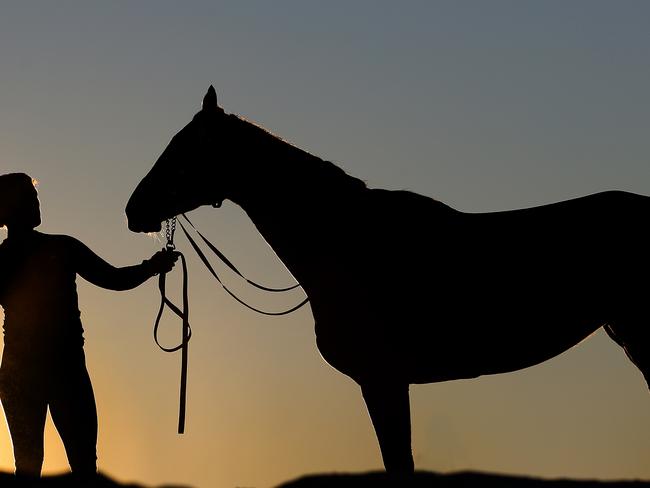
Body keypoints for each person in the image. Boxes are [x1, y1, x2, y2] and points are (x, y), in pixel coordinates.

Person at [0, 172, 178, 479]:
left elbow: (114, 279)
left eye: (35, 196)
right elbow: (114, 279)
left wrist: (151, 267)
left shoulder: (7, 258)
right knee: (82, 465)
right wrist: (152, 268)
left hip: (21, 373)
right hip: (63, 370)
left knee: (28, 467)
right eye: (31, 197)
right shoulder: (62, 248)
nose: (37, 202)